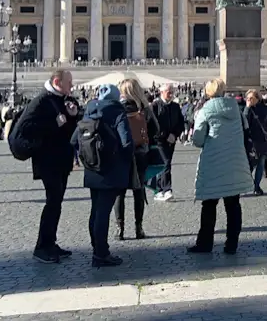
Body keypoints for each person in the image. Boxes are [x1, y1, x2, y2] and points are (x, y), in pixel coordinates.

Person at [8, 69, 81, 263]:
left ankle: (50, 242)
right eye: (69, 82)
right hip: (48, 161)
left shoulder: (61, 99)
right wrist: (55, 123)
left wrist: (72, 115)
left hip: (60, 160)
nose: (72, 86)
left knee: (56, 203)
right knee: (52, 202)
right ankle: (41, 247)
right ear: (57, 81)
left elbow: (67, 128)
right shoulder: (40, 101)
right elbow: (27, 128)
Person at [189, 78, 253, 254]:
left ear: (207, 93)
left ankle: (205, 243)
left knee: (209, 205)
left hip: (213, 162)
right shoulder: (236, 109)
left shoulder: (205, 111)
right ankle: (232, 244)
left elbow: (197, 139)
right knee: (233, 205)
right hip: (235, 161)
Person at [72, 84, 134, 266]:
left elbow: (74, 139)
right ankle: (101, 253)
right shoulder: (117, 111)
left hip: (92, 167)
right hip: (111, 169)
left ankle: (96, 248)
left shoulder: (89, 110)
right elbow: (126, 142)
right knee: (103, 213)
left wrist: (85, 158)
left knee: (95, 211)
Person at [115, 78, 158, 241]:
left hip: (122, 154)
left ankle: (120, 228)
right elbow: (156, 129)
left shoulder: (117, 108)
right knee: (138, 191)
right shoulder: (145, 108)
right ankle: (138, 228)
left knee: (119, 192)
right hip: (141, 153)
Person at [151, 84, 185, 202]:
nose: (170, 94)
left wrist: (175, 134)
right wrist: (165, 135)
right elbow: (153, 124)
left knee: (164, 164)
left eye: (172, 91)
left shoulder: (175, 106)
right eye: (168, 92)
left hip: (171, 140)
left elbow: (181, 122)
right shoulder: (154, 106)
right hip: (159, 140)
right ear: (161, 92)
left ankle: (159, 190)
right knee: (166, 163)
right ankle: (167, 189)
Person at [244, 89, 267, 195]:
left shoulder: (264, 109)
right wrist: (247, 107)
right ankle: (247, 184)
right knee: (249, 165)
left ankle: (256, 186)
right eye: (248, 98)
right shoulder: (247, 110)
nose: (249, 100)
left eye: (252, 98)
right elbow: (244, 122)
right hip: (251, 142)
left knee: (260, 164)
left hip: (263, 142)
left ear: (257, 99)